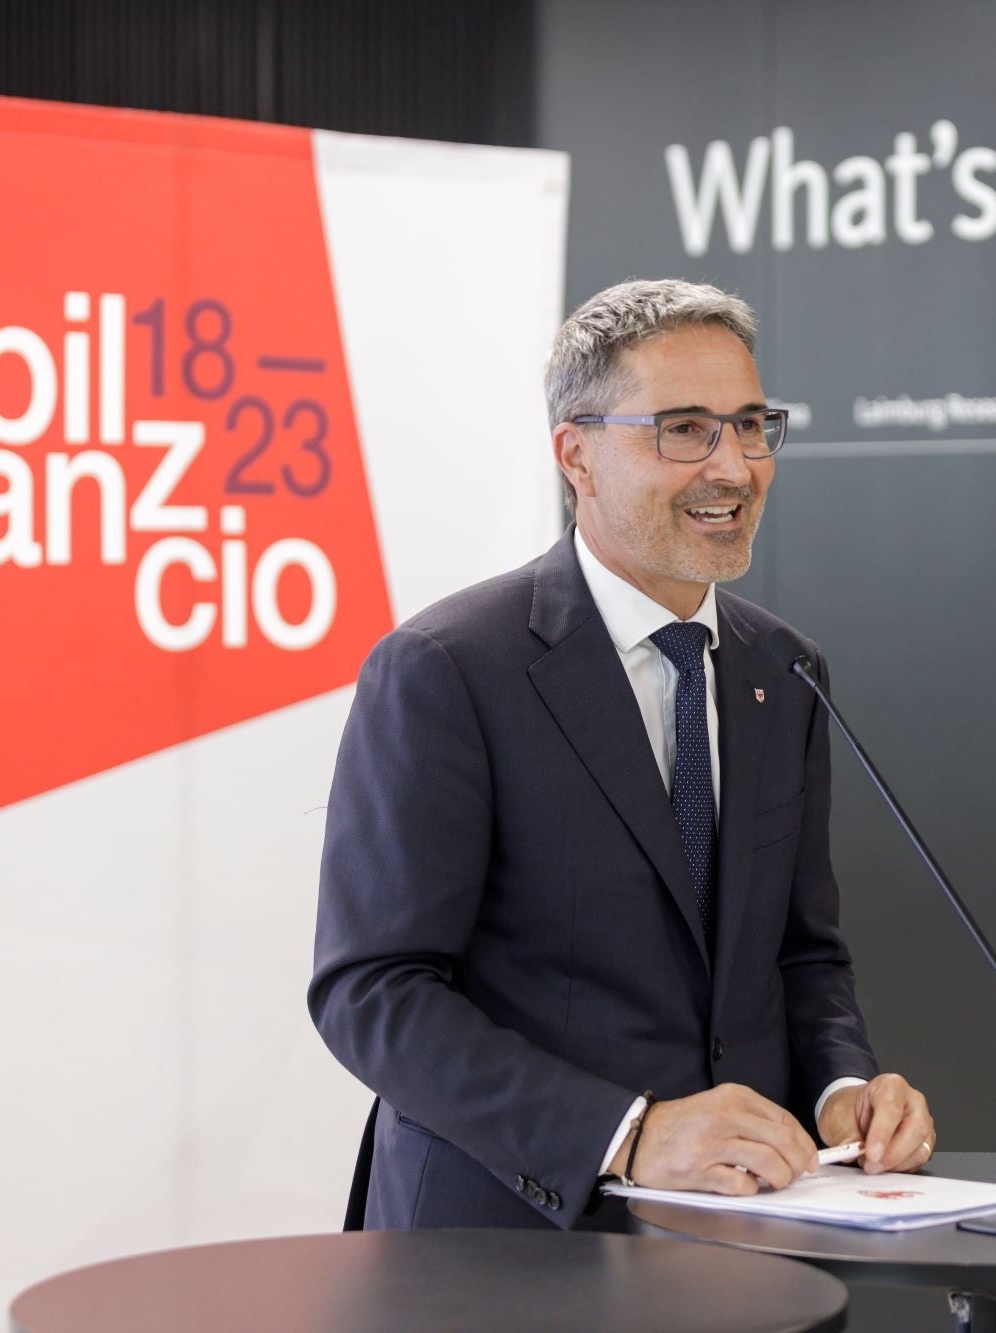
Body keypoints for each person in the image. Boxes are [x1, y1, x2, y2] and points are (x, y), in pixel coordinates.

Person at [309, 279, 934, 1230]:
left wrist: (839, 1085)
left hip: (741, 1245)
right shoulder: (447, 669)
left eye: (751, 425)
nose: (734, 465)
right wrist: (627, 1132)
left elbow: (803, 955)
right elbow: (374, 991)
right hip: (502, 1250)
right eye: (684, 429)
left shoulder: (783, 668)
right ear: (578, 455)